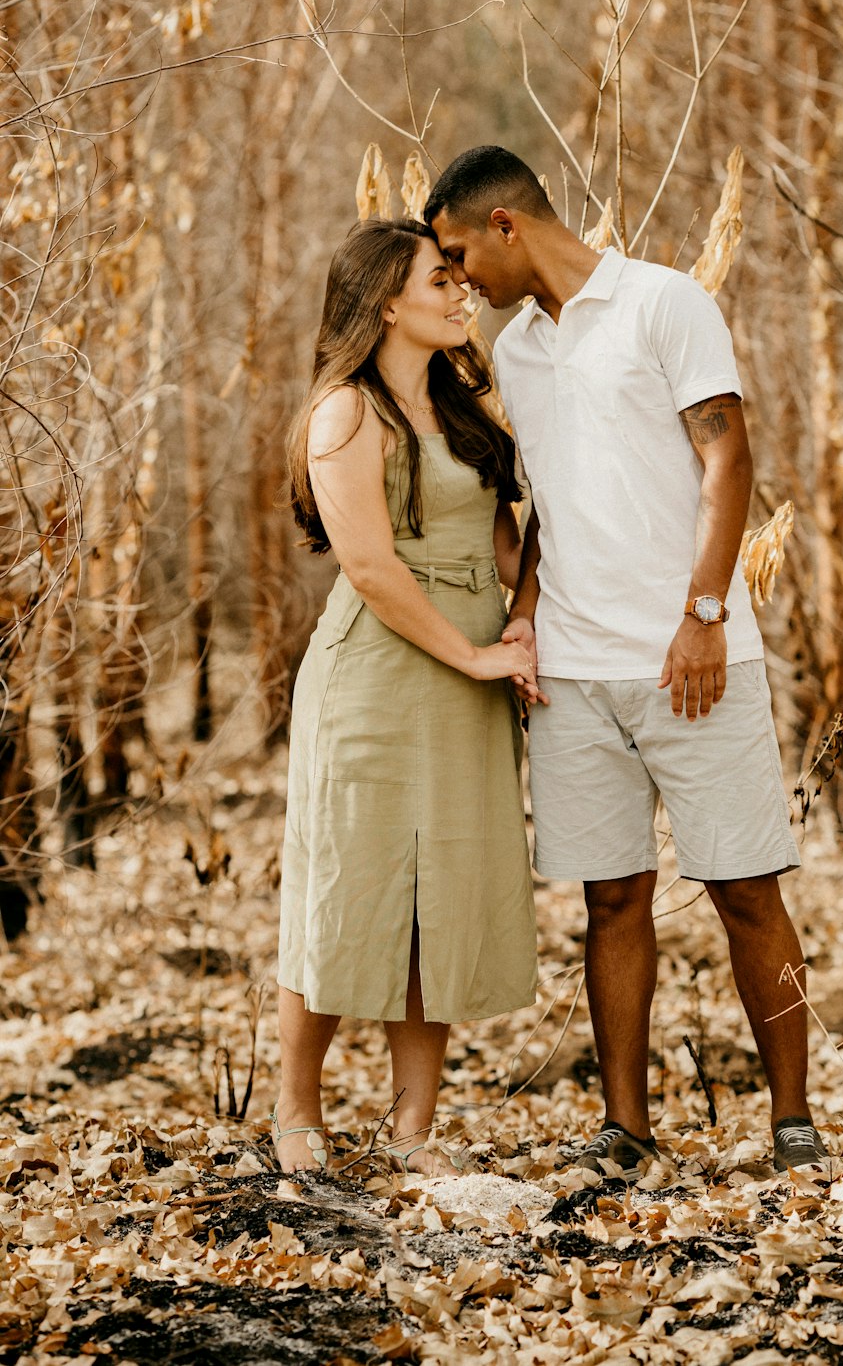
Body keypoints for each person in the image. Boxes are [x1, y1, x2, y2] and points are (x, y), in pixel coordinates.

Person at [425, 147, 827, 1178]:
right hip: (572, 669)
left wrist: (701, 613)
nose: (461, 277)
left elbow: (727, 455)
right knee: (611, 898)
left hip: (693, 660)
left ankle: (793, 1122)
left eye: (462, 252)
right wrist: (523, 621)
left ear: (507, 223)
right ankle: (625, 1127)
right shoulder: (515, 351)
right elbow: (548, 512)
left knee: (743, 888)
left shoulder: (665, 302)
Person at [272, 216, 539, 1177]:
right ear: (387, 300)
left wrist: (520, 622)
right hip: (377, 675)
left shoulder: (467, 413)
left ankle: (412, 1129)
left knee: (441, 897)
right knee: (351, 885)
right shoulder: (345, 411)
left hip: (471, 668)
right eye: (441, 278)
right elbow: (374, 569)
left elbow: (505, 543)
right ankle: (294, 1110)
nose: (462, 289)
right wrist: (470, 661)